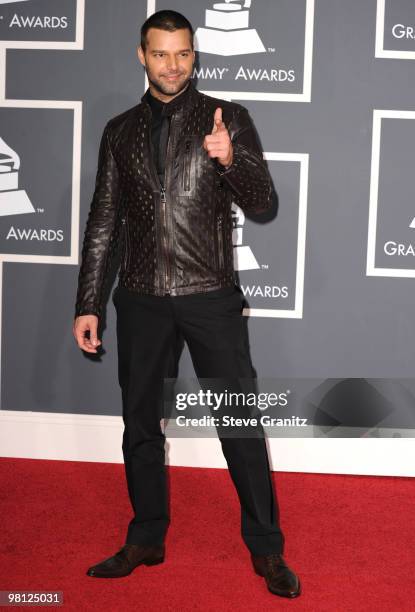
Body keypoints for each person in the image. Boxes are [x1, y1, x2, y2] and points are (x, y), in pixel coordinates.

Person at [72, 9, 300, 599]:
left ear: (195, 55)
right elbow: (103, 219)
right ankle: (146, 535)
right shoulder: (119, 130)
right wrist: (89, 300)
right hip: (142, 298)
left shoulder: (228, 119)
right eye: (161, 53)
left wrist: (230, 158)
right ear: (141, 56)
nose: (173, 65)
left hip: (209, 297)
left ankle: (267, 550)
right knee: (140, 425)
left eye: (184, 53)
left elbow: (264, 202)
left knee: (239, 423)